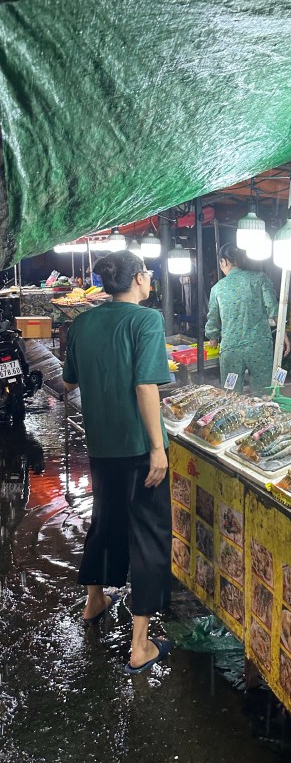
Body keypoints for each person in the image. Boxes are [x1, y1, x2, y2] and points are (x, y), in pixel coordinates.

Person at [62, 250, 174, 674]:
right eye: (147, 273)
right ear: (139, 278)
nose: (149, 279)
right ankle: (140, 646)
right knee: (148, 535)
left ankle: (94, 600)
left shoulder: (82, 323)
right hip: (138, 446)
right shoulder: (146, 321)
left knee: (105, 522)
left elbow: (69, 380)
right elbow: (146, 386)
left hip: (101, 444)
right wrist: (158, 448)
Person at [205, 242, 286, 393]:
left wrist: (213, 337)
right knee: (263, 393)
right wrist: (283, 335)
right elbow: (274, 309)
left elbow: (213, 319)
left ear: (224, 262)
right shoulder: (260, 279)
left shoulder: (217, 289)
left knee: (230, 393)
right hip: (259, 347)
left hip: (231, 350)